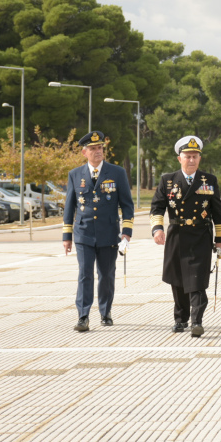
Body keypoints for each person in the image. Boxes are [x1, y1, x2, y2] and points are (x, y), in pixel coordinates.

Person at [150, 135, 221, 337]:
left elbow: (218, 212)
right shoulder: (167, 181)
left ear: (199, 158)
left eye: (195, 156)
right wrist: (157, 229)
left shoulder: (209, 180)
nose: (191, 160)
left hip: (200, 236)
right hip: (177, 236)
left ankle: (196, 321)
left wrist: (220, 240)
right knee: (178, 280)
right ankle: (181, 319)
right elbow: (157, 207)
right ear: (179, 158)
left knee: (198, 280)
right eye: (187, 156)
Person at [62, 131, 135, 332]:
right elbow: (69, 206)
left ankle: (105, 311)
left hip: (109, 233)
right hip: (83, 233)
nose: (98, 151)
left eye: (100, 148)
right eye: (93, 149)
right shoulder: (75, 174)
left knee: (106, 275)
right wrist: (67, 236)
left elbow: (127, 205)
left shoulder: (117, 173)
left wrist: (126, 232)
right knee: (85, 275)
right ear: (84, 152)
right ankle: (83, 316)